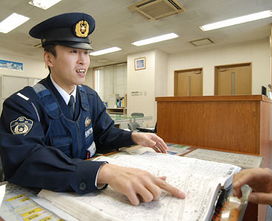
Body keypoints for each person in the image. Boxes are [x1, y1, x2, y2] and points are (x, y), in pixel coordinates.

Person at [0, 12, 185, 206]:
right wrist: (102, 172)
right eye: (73, 51)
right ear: (49, 59)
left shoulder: (89, 96)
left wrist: (133, 137)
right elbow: (25, 160)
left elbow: (105, 134)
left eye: (86, 52)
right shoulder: (23, 104)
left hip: (87, 193)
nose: (83, 61)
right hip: (46, 197)